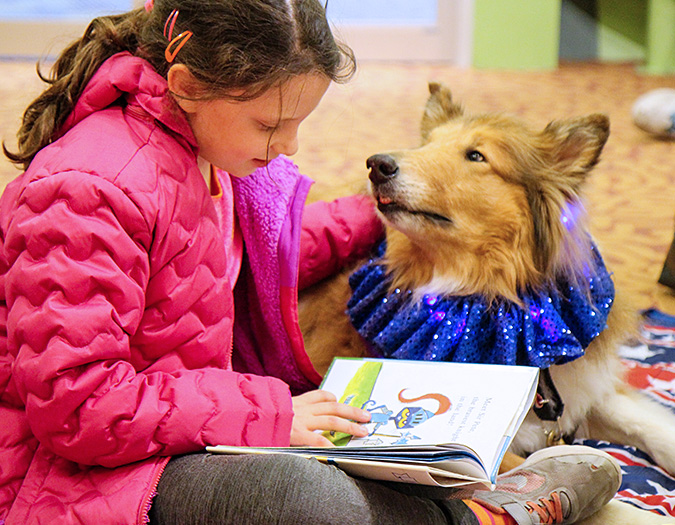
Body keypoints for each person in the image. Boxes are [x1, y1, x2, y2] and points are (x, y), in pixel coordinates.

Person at [0, 1, 621, 524]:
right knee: (307, 497)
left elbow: (261, 252)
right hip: (74, 471)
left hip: (172, 421)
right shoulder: (88, 190)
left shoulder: (203, 145)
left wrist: (373, 214)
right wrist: (270, 415)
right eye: (272, 123)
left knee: (363, 445)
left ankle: (464, 501)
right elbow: (78, 410)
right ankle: (484, 513)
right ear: (187, 82)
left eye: (299, 122)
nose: (290, 146)